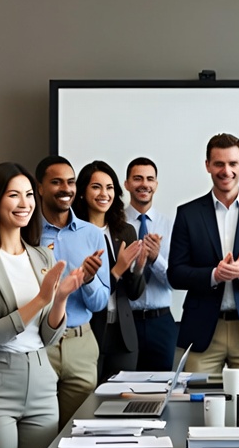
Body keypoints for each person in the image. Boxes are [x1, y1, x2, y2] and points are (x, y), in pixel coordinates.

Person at [0, 163, 83, 448]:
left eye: (29, 194)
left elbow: (48, 336)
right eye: (14, 195)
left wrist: (60, 299)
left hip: (43, 381)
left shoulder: (42, 255)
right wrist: (41, 299)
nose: (25, 203)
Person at [168, 133, 239, 376]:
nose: (226, 171)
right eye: (219, 163)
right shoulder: (188, 213)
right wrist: (213, 275)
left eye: (232, 164)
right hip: (203, 331)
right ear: (208, 165)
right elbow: (176, 274)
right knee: (197, 407)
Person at [35, 155, 110, 426]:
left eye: (70, 182)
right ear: (40, 187)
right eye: (56, 182)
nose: (65, 189)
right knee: (40, 434)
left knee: (79, 432)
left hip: (81, 343)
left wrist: (88, 279)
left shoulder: (92, 234)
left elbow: (101, 302)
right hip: (38, 343)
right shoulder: (25, 232)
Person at [73, 160, 146, 380]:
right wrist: (117, 269)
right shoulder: (74, 233)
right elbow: (79, 289)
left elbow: (133, 293)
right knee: (87, 404)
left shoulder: (125, 231)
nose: (104, 193)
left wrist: (139, 268)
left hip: (123, 334)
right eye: (96, 187)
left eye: (110, 187)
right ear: (83, 192)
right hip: (89, 332)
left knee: (120, 403)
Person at [124, 157, 179, 372]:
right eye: (137, 178)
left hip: (161, 322)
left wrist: (156, 259)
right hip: (126, 322)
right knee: (123, 389)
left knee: (162, 388)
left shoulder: (171, 226)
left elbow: (175, 281)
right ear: (127, 184)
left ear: (156, 185)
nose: (144, 184)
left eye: (150, 179)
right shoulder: (116, 224)